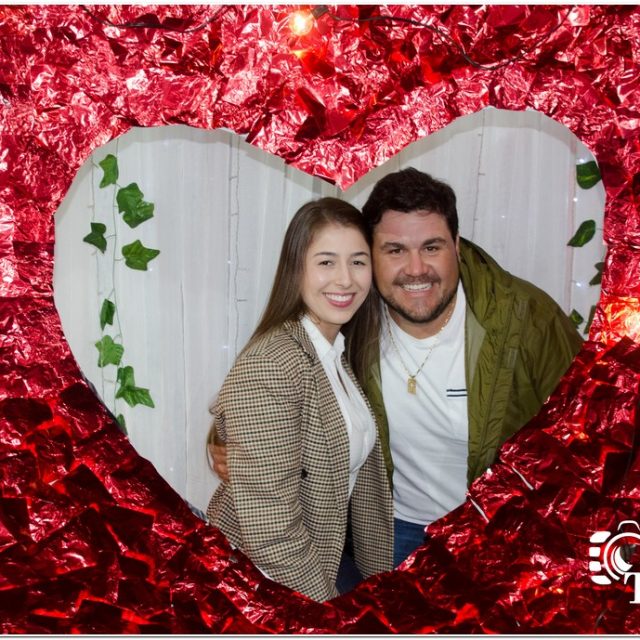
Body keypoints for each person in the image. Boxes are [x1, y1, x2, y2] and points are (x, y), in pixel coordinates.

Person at [212, 168, 583, 569]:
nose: (416, 268)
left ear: (457, 246)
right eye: (395, 251)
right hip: (388, 530)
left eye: (431, 247)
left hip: (498, 532)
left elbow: (589, 433)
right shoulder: (353, 313)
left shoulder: (526, 318)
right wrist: (229, 443)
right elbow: (271, 388)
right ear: (372, 256)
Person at [206, 197, 393, 602]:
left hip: (318, 561)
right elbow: (271, 532)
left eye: (358, 262)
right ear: (297, 269)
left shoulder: (334, 351)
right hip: (263, 583)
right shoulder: (272, 364)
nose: (345, 279)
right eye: (326, 262)